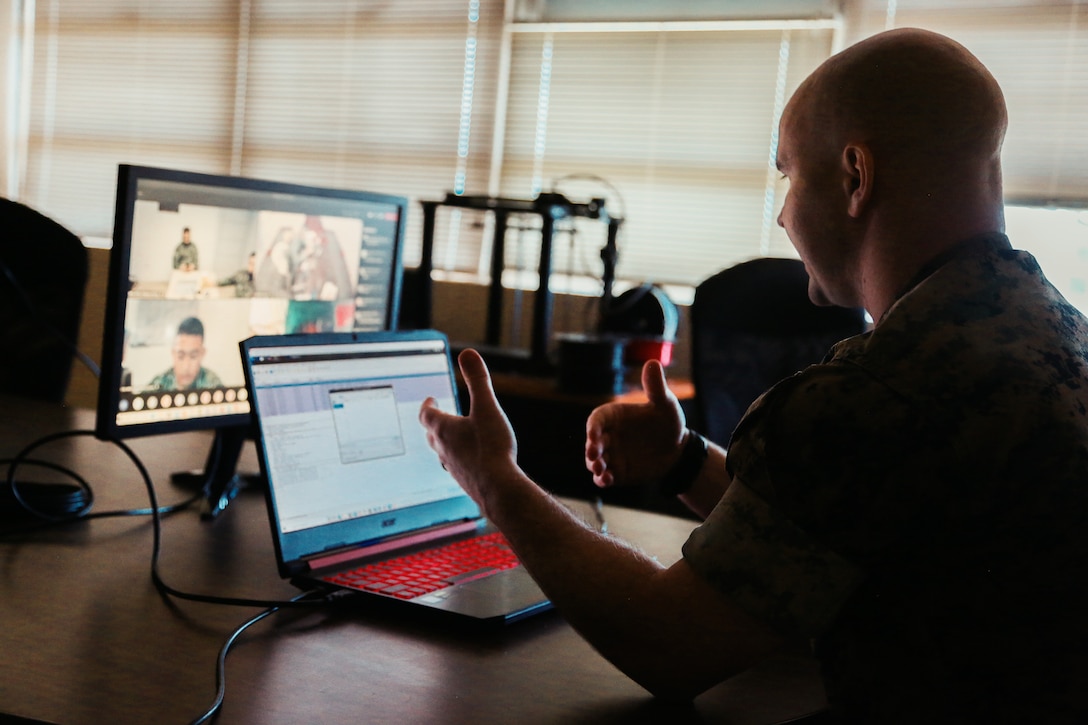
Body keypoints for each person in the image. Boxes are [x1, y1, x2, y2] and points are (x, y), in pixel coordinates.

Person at [418, 27, 1088, 723]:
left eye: (789, 173)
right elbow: (844, 524)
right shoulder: (1059, 332)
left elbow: (666, 641)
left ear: (856, 177)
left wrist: (494, 479)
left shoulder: (876, 391)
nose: (783, 211)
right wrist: (682, 462)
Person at [149, 316, 222, 391]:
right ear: (173, 353)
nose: (186, 367)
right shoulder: (159, 384)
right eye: (181, 356)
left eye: (193, 356)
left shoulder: (213, 384)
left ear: (202, 354)